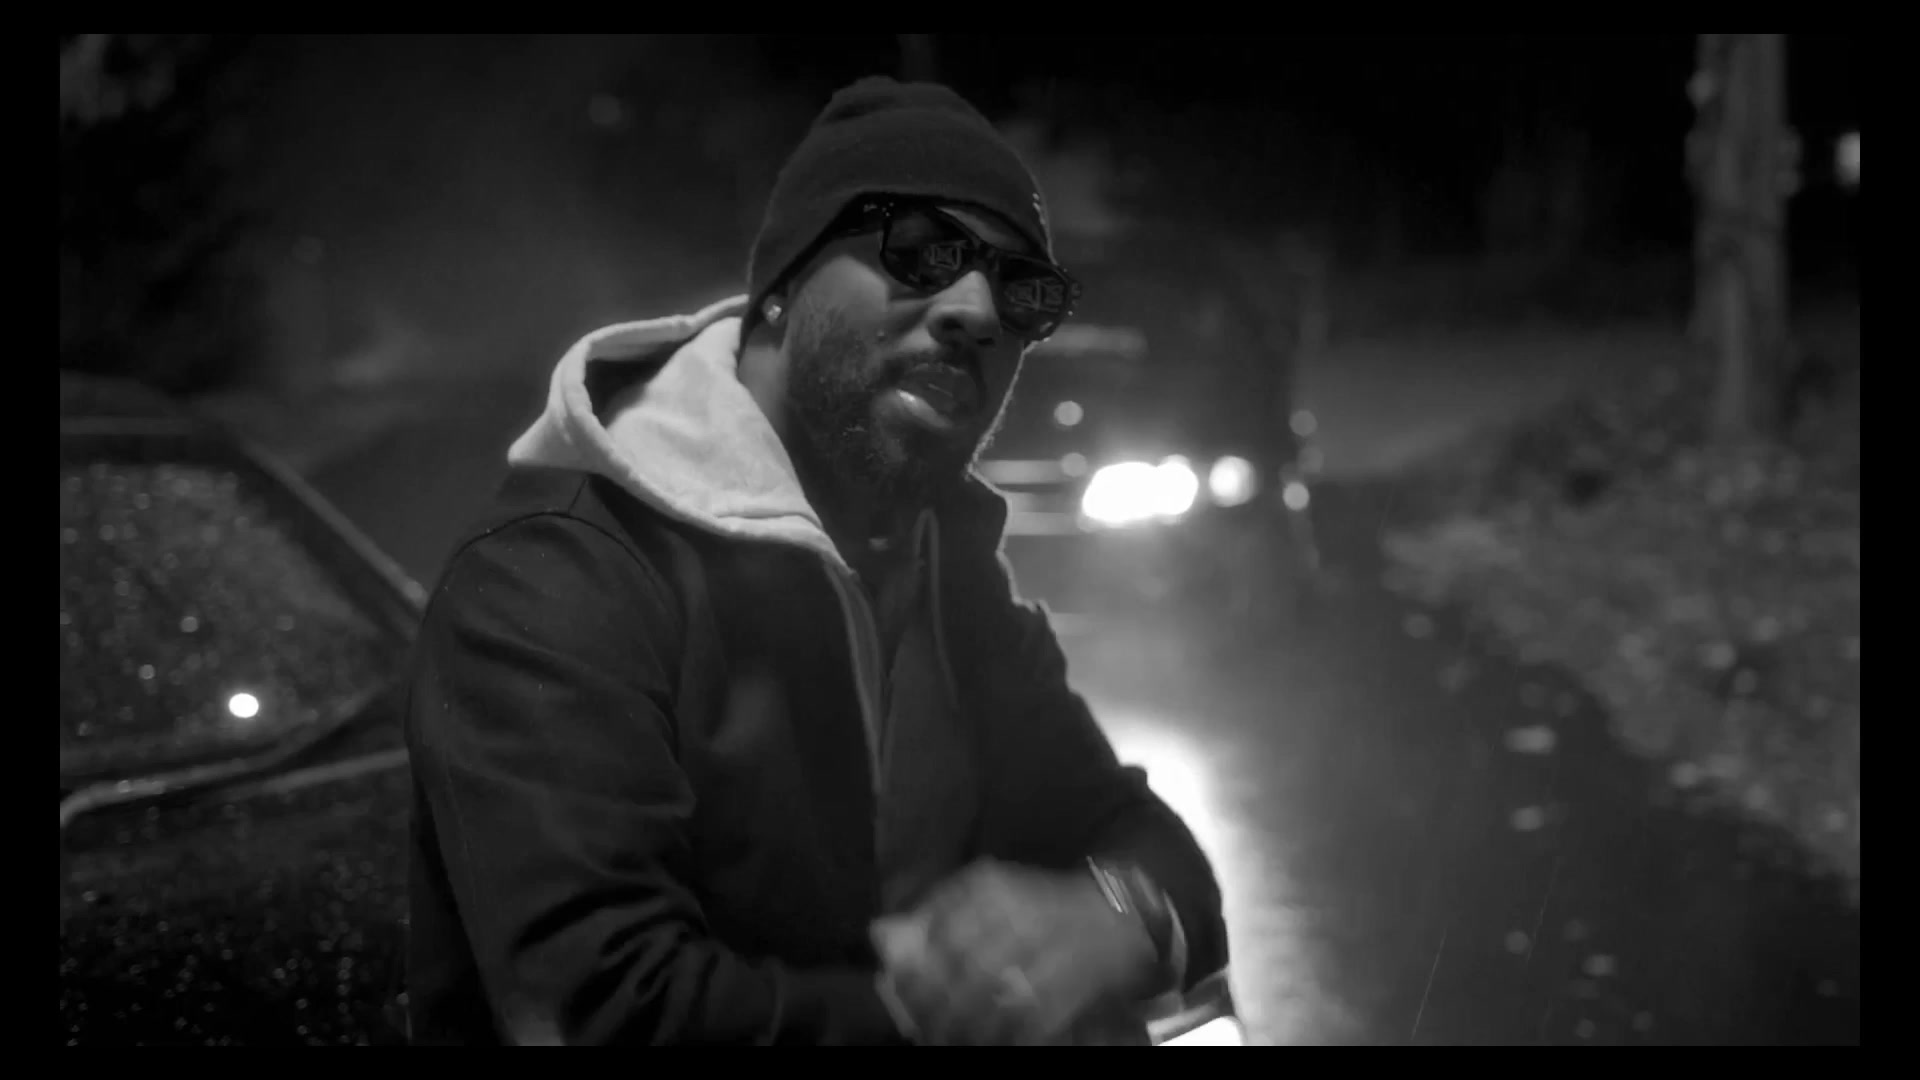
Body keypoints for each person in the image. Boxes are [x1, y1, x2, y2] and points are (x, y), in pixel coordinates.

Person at [402, 75, 1228, 1046]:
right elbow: (603, 1009)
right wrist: (956, 1016)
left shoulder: (943, 567)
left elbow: (1153, 849)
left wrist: (1115, 916)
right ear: (782, 291)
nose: (976, 309)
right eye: (922, 249)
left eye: (1022, 291)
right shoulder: (554, 580)